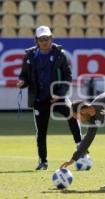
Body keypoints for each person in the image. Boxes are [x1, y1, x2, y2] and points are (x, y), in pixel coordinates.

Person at [17, 26, 83, 170]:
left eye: (47, 38)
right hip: (39, 99)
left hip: (57, 96)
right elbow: (24, 75)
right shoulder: (29, 56)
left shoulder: (60, 54)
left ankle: (81, 146)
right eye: (41, 39)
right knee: (41, 132)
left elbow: (68, 76)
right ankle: (43, 162)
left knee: (72, 113)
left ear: (51, 39)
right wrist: (22, 82)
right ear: (36, 41)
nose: (44, 41)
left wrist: (60, 93)